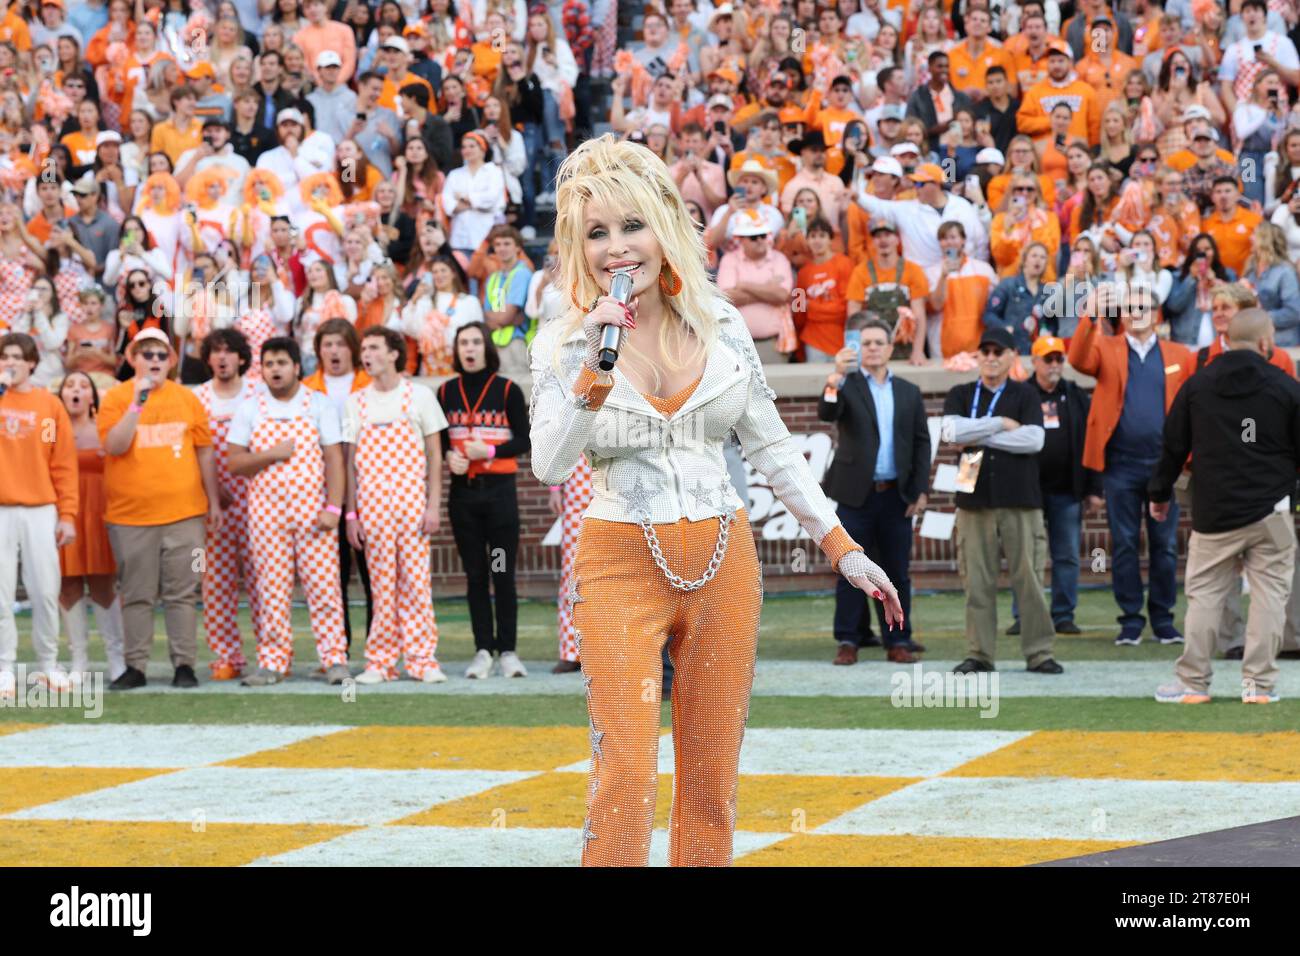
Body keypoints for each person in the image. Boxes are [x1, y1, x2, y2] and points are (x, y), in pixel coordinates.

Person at [529, 136, 901, 866]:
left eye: (631, 225)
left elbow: (770, 450)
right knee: (626, 773)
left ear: (666, 225)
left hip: (726, 559)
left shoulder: (724, 323)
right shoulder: (565, 339)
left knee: (710, 780)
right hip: (616, 560)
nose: (616, 247)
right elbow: (551, 460)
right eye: (596, 232)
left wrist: (844, 550)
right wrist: (597, 365)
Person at [1150, 309, 1300, 705]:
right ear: (1266, 343)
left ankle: (1193, 682)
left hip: (1214, 512)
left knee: (1204, 596)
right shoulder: (1285, 387)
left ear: (1227, 340)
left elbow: (1173, 445)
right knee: (1270, 597)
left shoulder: (1198, 385)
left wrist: (1159, 493)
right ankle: (1258, 686)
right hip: (1272, 511)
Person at [1068, 286, 1193, 646]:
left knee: (1165, 544)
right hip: (1120, 465)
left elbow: (1188, 407)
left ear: (1157, 313)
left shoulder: (1179, 354)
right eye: (1131, 306)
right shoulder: (1107, 347)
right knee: (1123, 543)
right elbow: (1077, 359)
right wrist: (1090, 314)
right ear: (1122, 313)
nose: (1138, 311)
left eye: (1145, 306)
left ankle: (1164, 619)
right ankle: (1131, 620)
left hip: (1163, 467)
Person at [99, 328, 220, 690]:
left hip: (186, 515)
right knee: (136, 593)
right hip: (130, 517)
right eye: (146, 354)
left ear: (170, 360)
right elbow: (115, 445)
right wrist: (138, 402)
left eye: (160, 355)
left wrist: (213, 502)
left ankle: (185, 664)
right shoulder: (115, 398)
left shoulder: (189, 398)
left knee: (183, 593)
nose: (153, 361)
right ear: (133, 358)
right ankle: (135, 666)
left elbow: (204, 451)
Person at [227, 337, 351, 686]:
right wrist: (271, 455)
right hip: (266, 517)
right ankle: (273, 662)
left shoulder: (319, 404)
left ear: (297, 367)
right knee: (271, 590)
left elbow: (334, 459)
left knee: (325, 589)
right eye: (269, 364)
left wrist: (333, 508)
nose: (275, 370)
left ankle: (334, 659)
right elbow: (234, 462)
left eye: (282, 363)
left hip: (314, 514)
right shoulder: (251, 408)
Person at [940, 326, 1061, 675]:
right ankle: (979, 653)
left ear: (1012, 357)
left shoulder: (1025, 395)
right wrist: (999, 424)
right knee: (976, 581)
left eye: (998, 352)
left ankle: (1039, 652)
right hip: (972, 501)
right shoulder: (961, 392)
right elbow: (949, 432)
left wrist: (977, 433)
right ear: (977, 356)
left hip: (1020, 500)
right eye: (985, 352)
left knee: (1030, 579)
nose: (991, 358)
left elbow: (1034, 440)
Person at [819, 316, 930, 664]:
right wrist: (834, 378)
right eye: (865, 343)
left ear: (890, 347)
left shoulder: (909, 392)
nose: (872, 348)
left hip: (896, 495)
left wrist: (919, 490)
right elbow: (826, 412)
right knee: (851, 568)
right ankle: (849, 640)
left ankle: (898, 640)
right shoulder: (846, 384)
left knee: (897, 571)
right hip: (855, 495)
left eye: (878, 342)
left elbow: (921, 443)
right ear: (858, 348)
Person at [344, 327, 448, 684]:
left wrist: (433, 506)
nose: (366, 354)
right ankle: (380, 661)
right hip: (372, 508)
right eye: (364, 349)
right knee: (381, 586)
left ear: (393, 353)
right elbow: (349, 464)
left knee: (417, 583)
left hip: (412, 505)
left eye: (374, 348)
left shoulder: (419, 396)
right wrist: (352, 514)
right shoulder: (355, 401)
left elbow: (435, 456)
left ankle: (422, 660)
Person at [438, 322, 531, 680]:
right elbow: (441, 441)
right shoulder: (446, 392)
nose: (470, 349)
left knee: (501, 572)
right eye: (464, 343)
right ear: (457, 349)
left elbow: (524, 440)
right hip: (463, 495)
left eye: (476, 342)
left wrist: (489, 449)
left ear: (486, 347)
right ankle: (482, 650)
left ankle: (508, 650)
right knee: (475, 575)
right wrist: (450, 455)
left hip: (499, 495)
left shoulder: (506, 389)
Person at [1005, 336, 1102, 636]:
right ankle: (1025, 614)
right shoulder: (1020, 394)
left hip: (1066, 490)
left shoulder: (1074, 395)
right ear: (1034, 362)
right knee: (1025, 554)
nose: (1055, 365)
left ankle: (1063, 614)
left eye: (1059, 359)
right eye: (1049, 359)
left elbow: (1091, 441)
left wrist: (1094, 488)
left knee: (1067, 555)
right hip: (1027, 490)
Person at [0, 333, 79, 698]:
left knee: (46, 590)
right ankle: (4, 667)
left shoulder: (48, 406)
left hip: (39, 509)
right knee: (0, 594)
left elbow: (61, 463)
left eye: (17, 357)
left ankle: (48, 663)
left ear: (32, 362)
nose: (10, 363)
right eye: (5, 357)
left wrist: (68, 514)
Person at [302, 319, 372, 651]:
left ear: (351, 349)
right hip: (325, 493)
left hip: (367, 490)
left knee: (375, 575)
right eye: (327, 344)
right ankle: (337, 649)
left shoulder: (369, 384)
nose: (333, 350)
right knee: (333, 577)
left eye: (340, 344)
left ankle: (379, 648)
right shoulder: (307, 388)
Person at [193, 329, 259, 681]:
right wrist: (214, 491)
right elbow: (193, 453)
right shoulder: (197, 398)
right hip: (213, 506)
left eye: (229, 351)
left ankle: (271, 653)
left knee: (264, 582)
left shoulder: (259, 394)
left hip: (260, 503)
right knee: (215, 583)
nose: (222, 358)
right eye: (216, 351)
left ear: (242, 357)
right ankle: (225, 656)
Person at [56, 370, 126, 684]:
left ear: (92, 396)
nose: (76, 391)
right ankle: (79, 661)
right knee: (67, 586)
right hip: (63, 512)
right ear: (61, 394)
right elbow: (38, 456)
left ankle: (116, 659)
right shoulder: (51, 429)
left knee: (103, 584)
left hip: (100, 511)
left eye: (83, 386)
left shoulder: (104, 427)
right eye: (70, 385)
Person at [715, 209, 795, 363]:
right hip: (737, 344)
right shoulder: (729, 259)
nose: (759, 240)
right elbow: (726, 298)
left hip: (772, 344)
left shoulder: (779, 259)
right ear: (741, 240)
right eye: (753, 237)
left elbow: (781, 296)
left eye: (763, 235)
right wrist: (767, 289)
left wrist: (744, 285)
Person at [845, 220, 930, 363]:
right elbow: (854, 318)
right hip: (873, 345)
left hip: (905, 344)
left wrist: (918, 351)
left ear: (897, 239)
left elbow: (919, 316)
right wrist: (856, 353)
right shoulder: (860, 272)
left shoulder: (913, 271)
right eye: (878, 236)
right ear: (872, 242)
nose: (883, 240)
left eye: (887, 235)